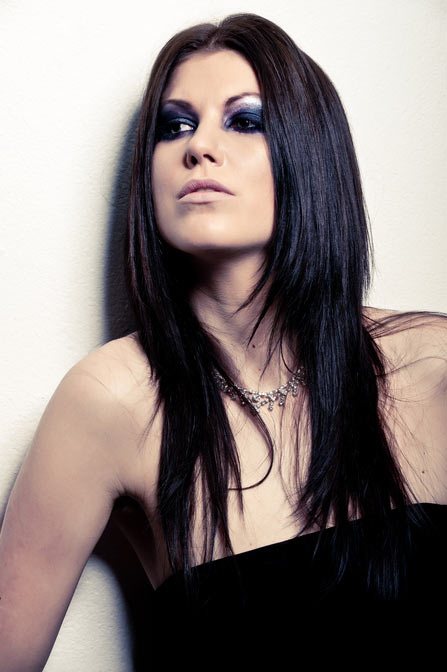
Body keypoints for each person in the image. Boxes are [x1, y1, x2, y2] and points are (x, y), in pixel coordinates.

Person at [0, 12, 445, 670]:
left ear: (309, 154)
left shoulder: (431, 366)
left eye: (244, 120)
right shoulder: (108, 401)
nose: (198, 147)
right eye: (174, 126)